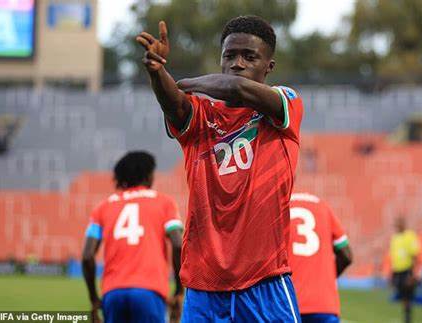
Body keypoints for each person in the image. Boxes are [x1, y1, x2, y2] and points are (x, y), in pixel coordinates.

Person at [137, 15, 304, 322]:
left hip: (264, 281)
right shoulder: (200, 116)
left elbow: (238, 89)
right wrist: (159, 72)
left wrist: (184, 82)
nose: (237, 63)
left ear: (269, 66)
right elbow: (174, 105)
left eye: (249, 56)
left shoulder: (285, 105)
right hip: (203, 284)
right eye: (229, 56)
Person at [81, 151, 184, 323]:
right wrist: (179, 291)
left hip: (113, 293)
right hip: (149, 291)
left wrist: (93, 298)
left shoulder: (103, 207)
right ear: (147, 175)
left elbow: (87, 255)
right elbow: (178, 244)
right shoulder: (164, 203)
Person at [288, 192, 352, 323]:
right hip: (324, 304)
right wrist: (326, 278)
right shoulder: (322, 206)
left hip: (289, 304)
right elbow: (347, 255)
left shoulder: (281, 207)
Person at [389, 216, 421, 323]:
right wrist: (392, 273)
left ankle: (408, 319)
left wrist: (413, 274)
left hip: (407, 270)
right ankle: (406, 317)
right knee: (402, 296)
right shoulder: (395, 238)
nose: (397, 226)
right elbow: (393, 256)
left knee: (407, 296)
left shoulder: (410, 236)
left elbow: (415, 255)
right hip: (397, 271)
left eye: (399, 223)